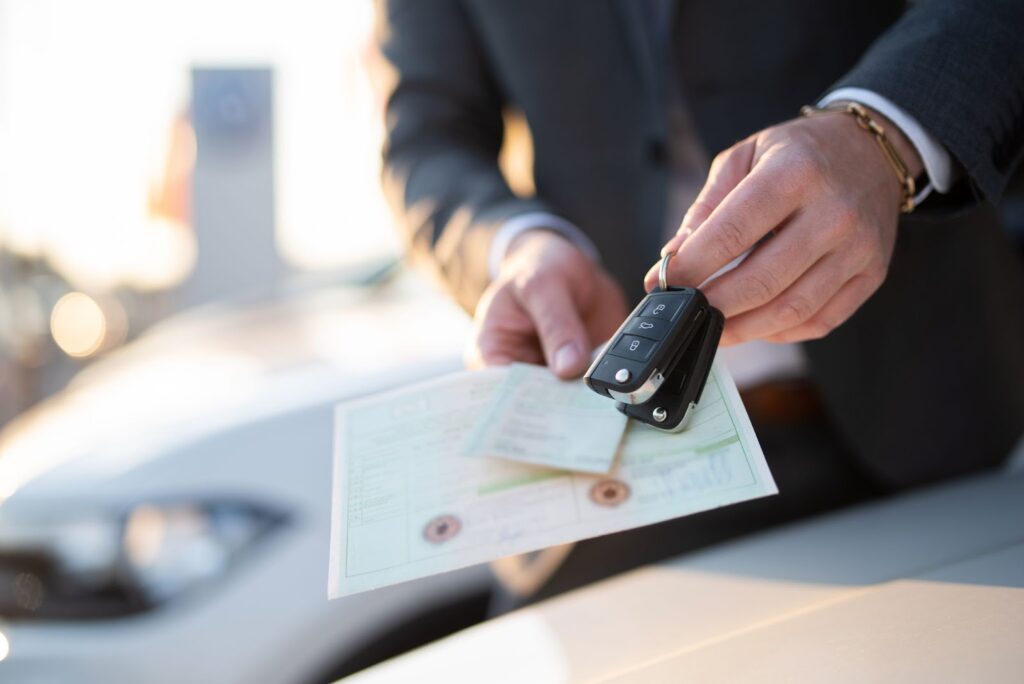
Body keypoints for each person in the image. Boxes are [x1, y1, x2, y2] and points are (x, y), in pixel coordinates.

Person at [373, 0, 1024, 602]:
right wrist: (517, 245)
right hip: (614, 468)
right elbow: (427, 139)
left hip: (923, 413)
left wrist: (883, 132)